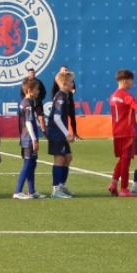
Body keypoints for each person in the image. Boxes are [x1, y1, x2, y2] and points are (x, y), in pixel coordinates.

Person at [108, 70, 137, 197]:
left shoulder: (113, 96)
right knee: (126, 160)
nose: (132, 83)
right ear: (125, 81)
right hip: (127, 131)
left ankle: (113, 183)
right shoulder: (126, 95)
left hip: (117, 130)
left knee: (122, 159)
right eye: (130, 80)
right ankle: (124, 188)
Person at [47, 69, 79, 199]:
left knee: (68, 157)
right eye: (71, 82)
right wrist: (67, 133)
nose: (73, 84)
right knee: (60, 158)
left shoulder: (64, 95)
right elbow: (56, 118)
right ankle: (56, 189)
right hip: (56, 133)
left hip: (60, 132)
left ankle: (62, 185)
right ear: (65, 83)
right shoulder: (60, 97)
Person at [13, 77, 45, 200]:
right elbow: (28, 123)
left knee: (32, 163)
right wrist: (34, 140)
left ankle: (31, 191)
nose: (38, 92)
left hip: (27, 138)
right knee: (28, 164)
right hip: (28, 139)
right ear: (30, 90)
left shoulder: (28, 102)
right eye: (37, 89)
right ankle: (18, 191)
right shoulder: (27, 104)